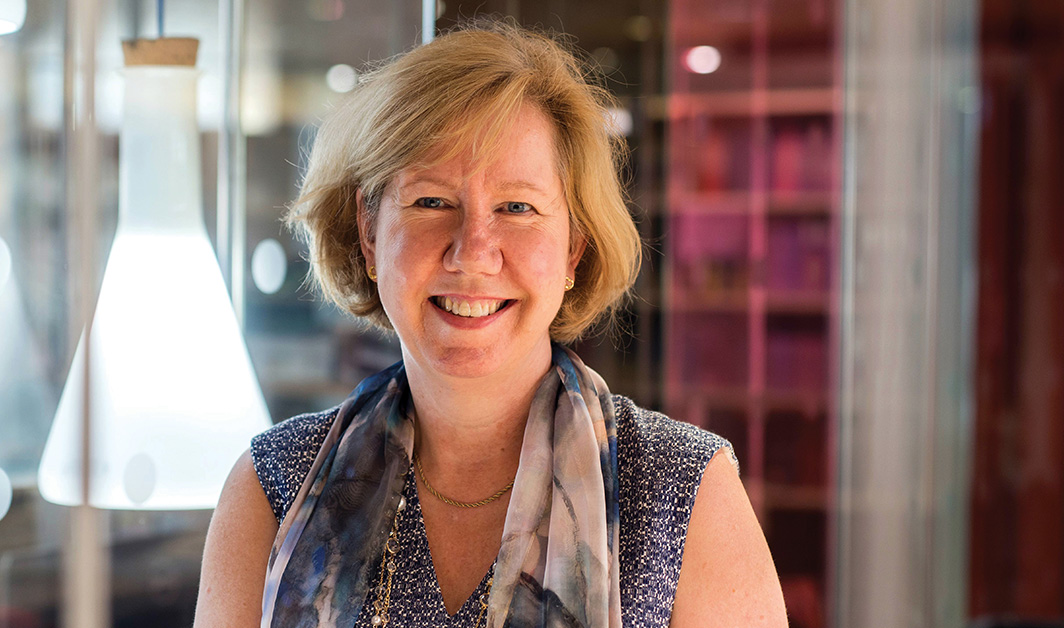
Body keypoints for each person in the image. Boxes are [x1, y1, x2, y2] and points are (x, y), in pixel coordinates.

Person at [195, 21, 787, 628]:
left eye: (517, 207)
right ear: (370, 235)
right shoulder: (273, 490)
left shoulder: (681, 496)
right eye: (431, 201)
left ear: (574, 250)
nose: (473, 251)